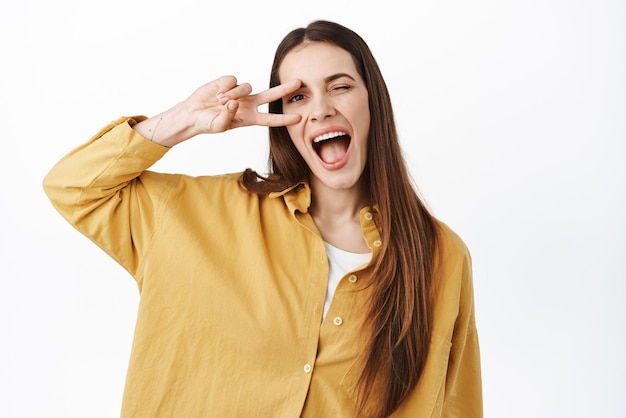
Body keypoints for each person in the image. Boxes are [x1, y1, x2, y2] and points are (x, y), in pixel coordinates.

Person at [43, 20, 482, 418]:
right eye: (298, 96)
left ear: (373, 101)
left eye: (341, 86)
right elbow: (72, 187)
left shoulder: (441, 256)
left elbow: (457, 406)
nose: (321, 108)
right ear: (283, 120)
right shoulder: (196, 214)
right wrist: (185, 121)